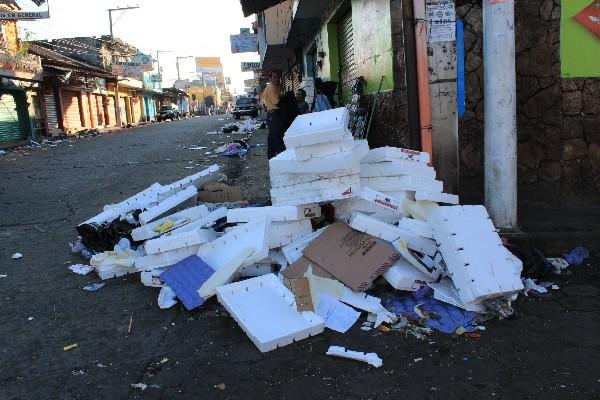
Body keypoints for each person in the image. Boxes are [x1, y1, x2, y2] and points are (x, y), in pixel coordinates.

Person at [262, 70, 285, 159]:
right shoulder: (272, 87)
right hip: (274, 115)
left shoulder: (271, 87)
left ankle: (271, 156)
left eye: (278, 77)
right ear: (270, 78)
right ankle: (280, 156)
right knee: (278, 137)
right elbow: (277, 101)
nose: (277, 79)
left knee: (272, 137)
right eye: (274, 77)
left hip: (271, 115)